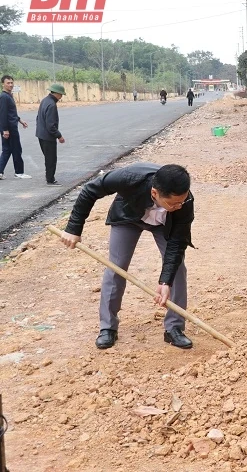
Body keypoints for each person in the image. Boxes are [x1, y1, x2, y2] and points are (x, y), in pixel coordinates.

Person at [58, 163, 196, 350]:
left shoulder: (184, 203)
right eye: (173, 203)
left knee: (177, 269)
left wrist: (165, 282)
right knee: (117, 266)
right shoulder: (129, 178)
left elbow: (177, 244)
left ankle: (174, 328)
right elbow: (90, 190)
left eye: (182, 201)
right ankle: (108, 327)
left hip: (165, 225)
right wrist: (73, 228)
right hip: (128, 216)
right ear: (155, 193)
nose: (179, 206)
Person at [0, 75, 32, 179]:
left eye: (11, 83)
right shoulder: (4, 97)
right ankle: (19, 172)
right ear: (3, 84)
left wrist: (20, 120)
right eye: (8, 83)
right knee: (16, 149)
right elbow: (3, 114)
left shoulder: (9, 96)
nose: (10, 85)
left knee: (7, 150)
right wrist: (5, 130)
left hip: (10, 126)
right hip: (9, 128)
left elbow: (11, 113)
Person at [35, 84, 66, 186]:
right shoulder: (52, 105)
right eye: (61, 95)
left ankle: (49, 178)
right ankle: (50, 180)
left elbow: (38, 117)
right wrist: (59, 136)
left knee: (48, 158)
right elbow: (51, 125)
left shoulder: (45, 100)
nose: (61, 97)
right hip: (48, 137)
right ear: (56, 93)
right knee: (51, 159)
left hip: (41, 134)